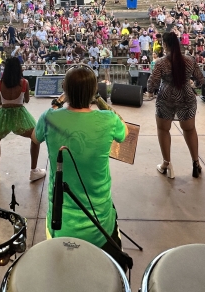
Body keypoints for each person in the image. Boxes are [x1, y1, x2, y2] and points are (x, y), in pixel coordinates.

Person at [32, 67, 129, 270]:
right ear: (94, 91)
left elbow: (35, 137)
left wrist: (57, 103)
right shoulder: (108, 120)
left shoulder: (49, 118)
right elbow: (125, 132)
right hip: (100, 225)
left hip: (60, 224)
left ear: (65, 89)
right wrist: (100, 100)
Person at [147, 31, 205, 179]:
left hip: (166, 98)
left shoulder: (161, 62)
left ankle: (167, 164)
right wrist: (193, 85)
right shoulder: (190, 60)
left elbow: (152, 82)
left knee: (163, 129)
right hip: (187, 97)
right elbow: (201, 79)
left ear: (165, 44)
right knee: (190, 130)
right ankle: (196, 162)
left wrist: (150, 92)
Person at [0, 57, 46, 183]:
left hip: (3, 116)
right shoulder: (24, 83)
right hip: (20, 116)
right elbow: (27, 100)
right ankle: (34, 171)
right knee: (35, 137)